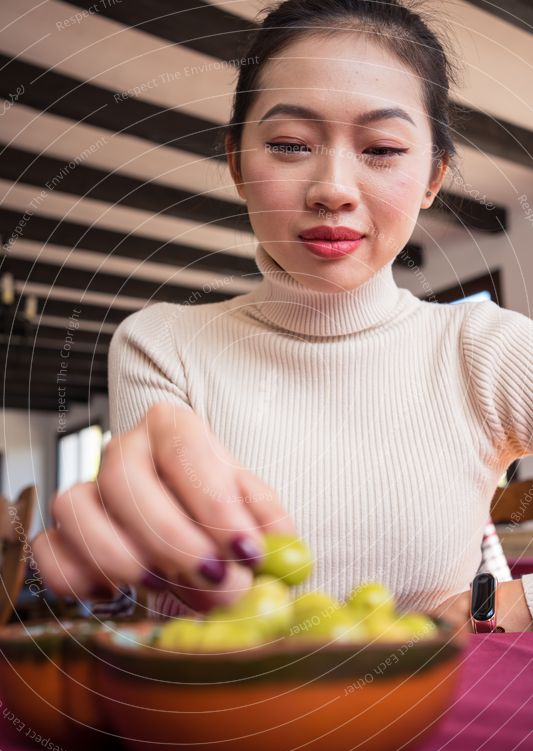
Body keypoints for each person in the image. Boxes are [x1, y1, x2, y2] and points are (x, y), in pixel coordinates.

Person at [32, 0, 533, 631]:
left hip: (438, 722)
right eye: (290, 144)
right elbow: (163, 596)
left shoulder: (486, 349)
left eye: (381, 148)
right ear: (238, 164)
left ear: (433, 177)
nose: (333, 188)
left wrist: (507, 602)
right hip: (226, 720)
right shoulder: (164, 345)